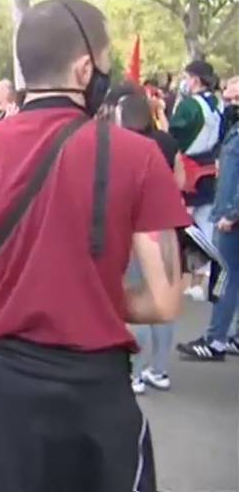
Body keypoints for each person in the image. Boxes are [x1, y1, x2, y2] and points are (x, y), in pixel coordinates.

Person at [0, 0, 190, 492]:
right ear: (86, 67)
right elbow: (167, 299)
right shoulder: (140, 157)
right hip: (93, 401)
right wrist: (90, 300)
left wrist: (16, 299)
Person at [102, 82, 181, 394]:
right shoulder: (166, 142)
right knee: (163, 301)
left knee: (131, 299)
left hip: (129, 231)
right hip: (164, 227)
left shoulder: (117, 145)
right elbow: (180, 181)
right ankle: (159, 369)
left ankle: (133, 372)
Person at [177, 97, 239, 361]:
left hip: (230, 214)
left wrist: (232, 213)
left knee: (225, 278)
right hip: (226, 208)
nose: (228, 96)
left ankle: (215, 340)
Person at [170, 60, 225, 239]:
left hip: (189, 170)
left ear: (195, 80)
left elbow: (174, 135)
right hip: (212, 167)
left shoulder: (189, 106)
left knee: (184, 223)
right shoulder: (218, 102)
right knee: (208, 224)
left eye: (186, 78)